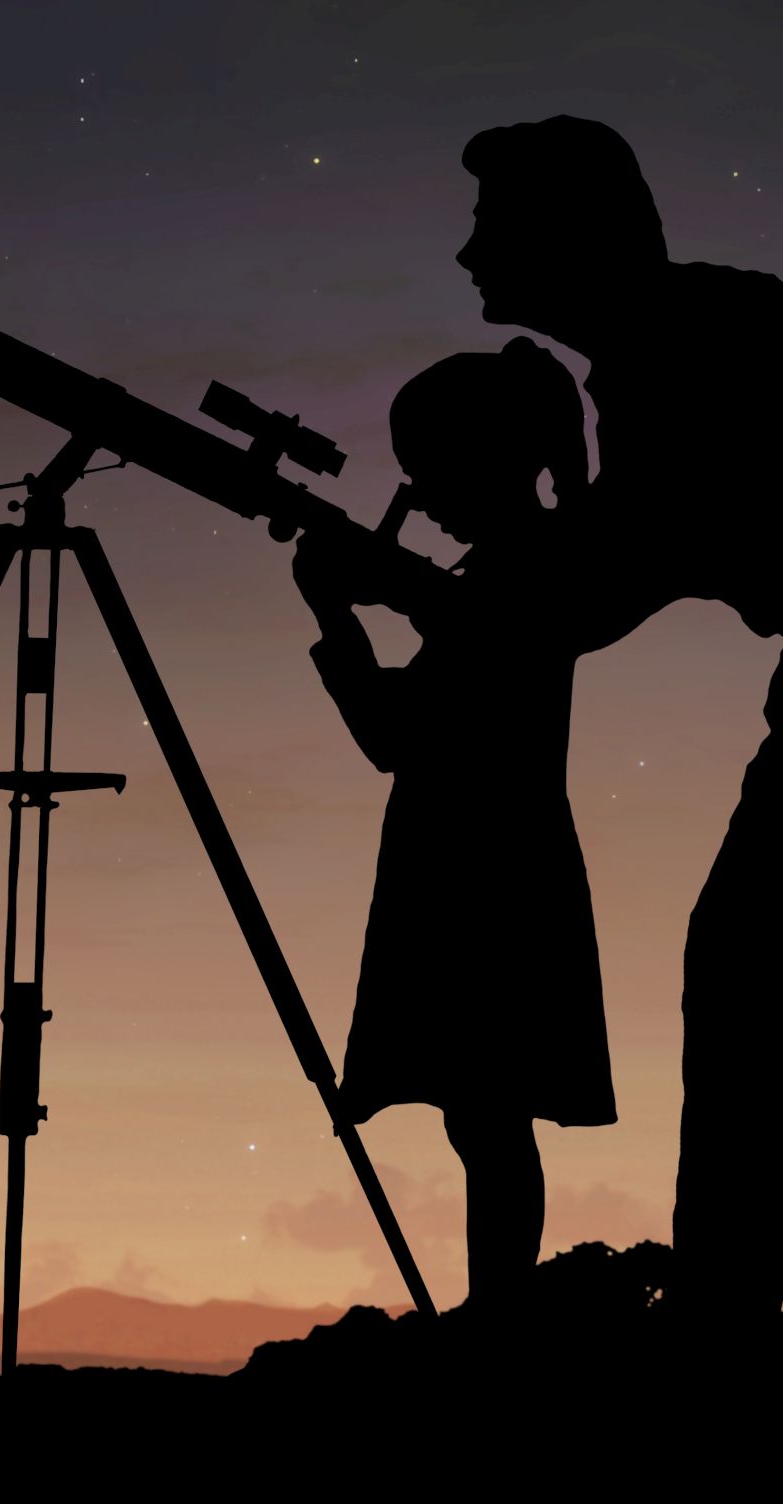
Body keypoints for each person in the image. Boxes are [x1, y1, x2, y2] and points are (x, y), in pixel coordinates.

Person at [452, 114, 783, 1325]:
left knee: (751, 968)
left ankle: (728, 1310)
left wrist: (529, 526)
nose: (466, 255)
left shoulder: (676, 351)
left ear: (562, 235)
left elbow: (601, 587)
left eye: (490, 227)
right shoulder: (683, 335)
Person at [293, 337, 615, 1313]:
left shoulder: (519, 581)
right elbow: (422, 702)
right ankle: (496, 1316)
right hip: (485, 867)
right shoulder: (508, 577)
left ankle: (497, 1322)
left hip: (485, 876)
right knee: (483, 1120)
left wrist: (345, 612)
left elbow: (397, 734)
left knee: (487, 1118)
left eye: (430, 473)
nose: (422, 497)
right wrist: (377, 600)